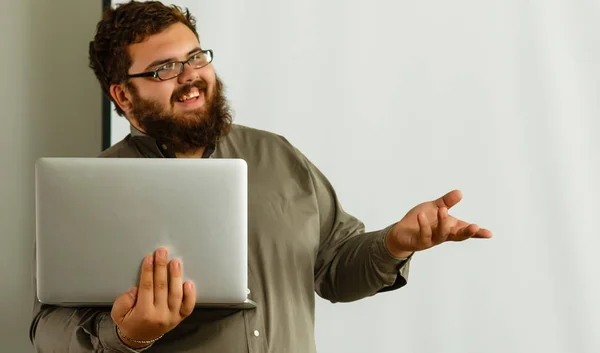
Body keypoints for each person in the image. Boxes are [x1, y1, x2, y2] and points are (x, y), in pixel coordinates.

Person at [29, 1, 493, 352]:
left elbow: (334, 271)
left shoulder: (277, 155)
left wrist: (395, 242)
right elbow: (46, 329)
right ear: (124, 96)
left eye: (195, 57)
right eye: (164, 68)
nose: (190, 76)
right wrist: (125, 335)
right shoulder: (92, 189)